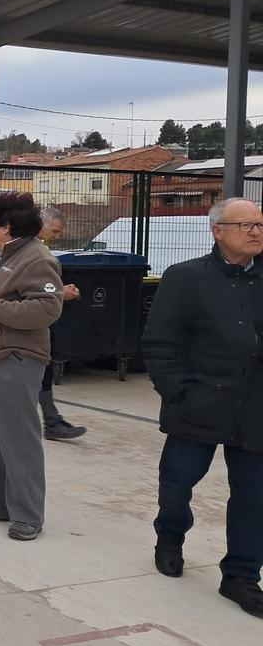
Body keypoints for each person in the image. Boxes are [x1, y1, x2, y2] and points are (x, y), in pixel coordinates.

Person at [141, 197, 263, 619]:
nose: (255, 232)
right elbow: (160, 344)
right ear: (217, 231)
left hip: (255, 410)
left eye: (260, 225)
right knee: (177, 485)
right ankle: (170, 538)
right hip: (198, 404)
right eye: (245, 224)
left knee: (253, 497)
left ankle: (242, 575)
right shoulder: (185, 278)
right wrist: (178, 392)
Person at [0, 192, 63, 542]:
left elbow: (47, 308)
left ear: (8, 227)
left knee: (18, 439)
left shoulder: (37, 258)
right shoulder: (5, 256)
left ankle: (28, 514)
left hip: (16, 359)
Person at [37, 207, 87, 441]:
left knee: (44, 370)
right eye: (54, 230)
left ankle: (52, 420)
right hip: (33, 322)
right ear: (41, 224)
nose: (57, 236)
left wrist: (59, 290)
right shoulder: (32, 250)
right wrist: (60, 293)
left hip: (42, 321)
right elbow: (32, 287)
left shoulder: (40, 248)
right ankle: (51, 422)